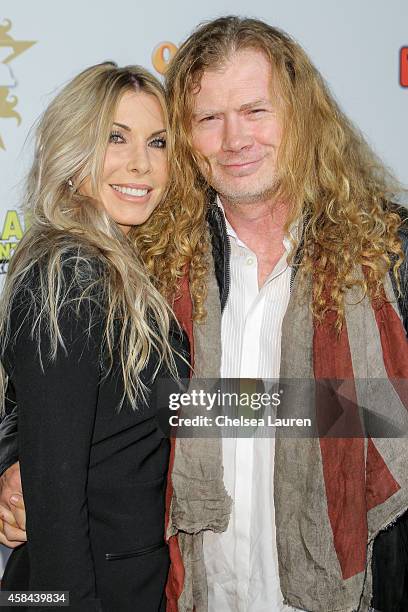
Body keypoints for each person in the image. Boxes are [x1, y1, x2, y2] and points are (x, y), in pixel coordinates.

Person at [1, 15, 408, 612]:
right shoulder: (146, 261)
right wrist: (23, 466)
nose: (234, 139)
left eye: (255, 111)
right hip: (189, 593)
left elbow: (388, 414)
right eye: (208, 119)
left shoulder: (389, 253)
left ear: (301, 117)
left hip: (351, 589)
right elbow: (57, 397)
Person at [0, 61, 198, 611]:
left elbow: (163, 413)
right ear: (71, 151)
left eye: (157, 142)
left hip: (126, 581)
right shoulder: (67, 276)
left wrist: (346, 409)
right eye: (115, 137)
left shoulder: (118, 270)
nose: (140, 163)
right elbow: (55, 502)